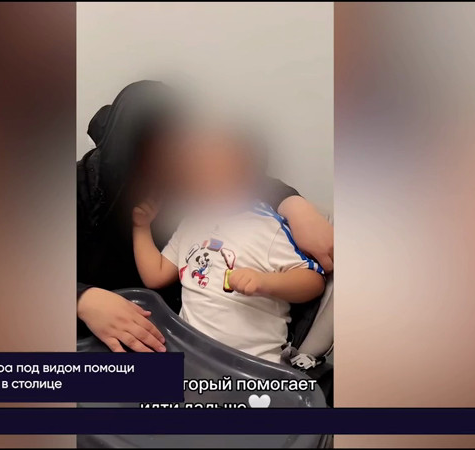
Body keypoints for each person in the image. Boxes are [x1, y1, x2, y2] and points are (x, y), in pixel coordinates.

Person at [77, 81, 333, 354]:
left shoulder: (187, 184)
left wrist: (295, 205)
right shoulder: (77, 187)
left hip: (177, 338)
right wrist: (83, 300)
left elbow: (234, 179)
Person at [131, 128, 325, 362]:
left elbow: (313, 282)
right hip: (188, 354)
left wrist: (265, 282)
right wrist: (141, 227)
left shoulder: (267, 226)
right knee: (101, 375)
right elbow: (156, 275)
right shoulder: (190, 222)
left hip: (250, 365)